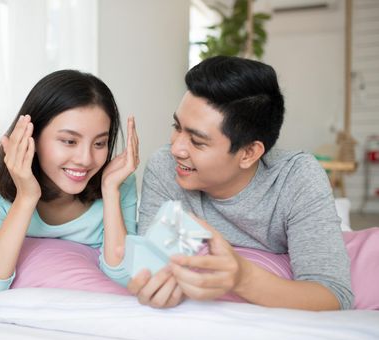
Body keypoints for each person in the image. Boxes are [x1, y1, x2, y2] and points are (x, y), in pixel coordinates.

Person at [127, 56, 353, 311]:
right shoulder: (165, 168)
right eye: (176, 127)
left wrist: (243, 277)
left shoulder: (296, 178)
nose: (176, 148)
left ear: (248, 153)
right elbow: (150, 266)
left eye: (198, 142)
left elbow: (333, 295)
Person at [0, 70, 139, 298]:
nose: (86, 159)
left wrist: (111, 192)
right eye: (69, 141)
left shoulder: (118, 183)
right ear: (32, 136)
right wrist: (26, 198)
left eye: (100, 143)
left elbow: (126, 281)